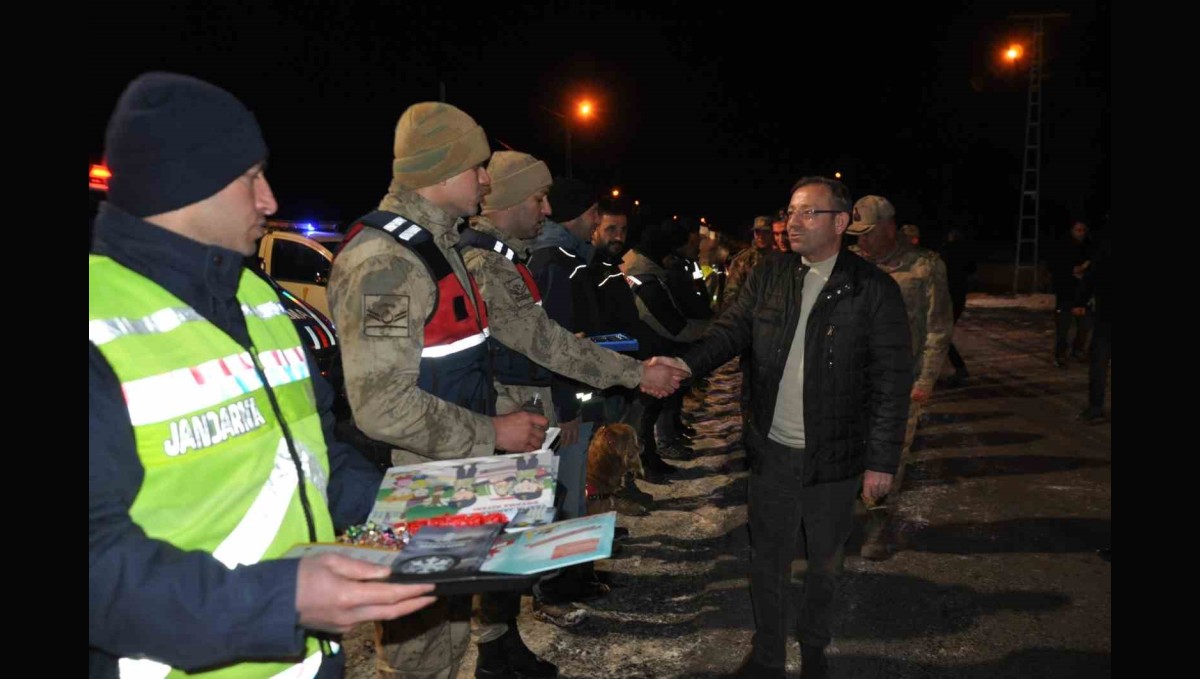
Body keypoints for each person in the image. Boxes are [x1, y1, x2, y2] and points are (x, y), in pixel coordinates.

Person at [90, 72, 437, 679]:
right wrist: (286, 600)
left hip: (307, 659)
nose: (269, 201)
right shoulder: (100, 319)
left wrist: (417, 511)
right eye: (251, 177)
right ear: (187, 183)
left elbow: (314, 456)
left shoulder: (254, 297)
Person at [328, 102, 549, 679]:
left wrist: (502, 412)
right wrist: (492, 430)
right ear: (443, 171)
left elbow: (449, 365)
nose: (486, 180)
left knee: (446, 642)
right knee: (417, 656)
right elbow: (382, 405)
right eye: (477, 167)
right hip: (410, 483)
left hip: (447, 477)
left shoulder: (436, 246)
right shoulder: (387, 262)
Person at [676, 176, 912, 679]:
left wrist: (881, 461)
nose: (793, 222)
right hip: (773, 450)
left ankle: (813, 650)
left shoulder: (873, 290)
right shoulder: (771, 275)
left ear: (841, 222)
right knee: (767, 561)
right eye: (791, 211)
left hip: (835, 458)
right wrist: (682, 366)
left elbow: (892, 382)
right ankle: (767, 656)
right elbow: (730, 331)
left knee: (824, 565)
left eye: (808, 212)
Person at [457, 151, 684, 634]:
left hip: (518, 410)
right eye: (538, 199)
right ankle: (505, 639)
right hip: (503, 414)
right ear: (510, 199)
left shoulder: (507, 258)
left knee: (524, 523)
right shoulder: (491, 262)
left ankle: (505, 643)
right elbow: (548, 343)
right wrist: (637, 373)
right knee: (512, 530)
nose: (547, 210)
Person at [849, 195, 954, 560]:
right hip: (851, 381)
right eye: (857, 234)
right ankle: (847, 515)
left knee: (889, 456)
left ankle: (877, 524)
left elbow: (939, 327)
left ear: (890, 228)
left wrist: (925, 381)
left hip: (900, 383)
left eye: (868, 233)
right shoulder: (850, 264)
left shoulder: (925, 266)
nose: (861, 240)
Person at [1073, 231, 1111, 423]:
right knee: (1098, 362)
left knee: (1099, 363)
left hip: (1107, 315)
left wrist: (1080, 301)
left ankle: (1095, 408)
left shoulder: (1107, 248)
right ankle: (1095, 408)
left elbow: (1091, 275)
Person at [1051, 220, 1094, 367]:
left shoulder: (1088, 247)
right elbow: (1058, 268)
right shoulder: (1063, 247)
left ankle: (1078, 351)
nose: (1081, 233)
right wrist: (1074, 270)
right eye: (1078, 230)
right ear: (1072, 230)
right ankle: (1060, 355)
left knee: (1085, 326)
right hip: (1066, 293)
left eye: (1083, 230)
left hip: (1083, 294)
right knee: (1063, 327)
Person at [939, 228, 976, 386]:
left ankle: (959, 368)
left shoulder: (946, 252)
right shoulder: (964, 253)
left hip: (948, 298)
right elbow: (972, 270)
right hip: (958, 297)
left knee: (939, 335)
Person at [721, 215, 773, 311]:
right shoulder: (743, 259)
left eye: (766, 232)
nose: (761, 236)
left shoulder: (780, 258)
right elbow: (730, 294)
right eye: (757, 232)